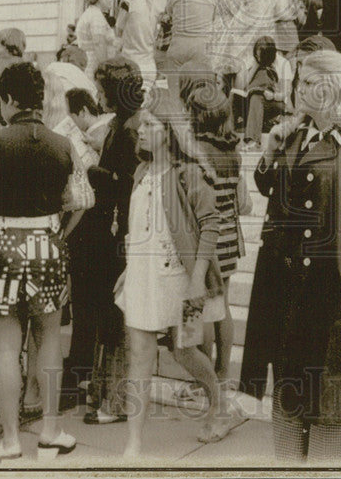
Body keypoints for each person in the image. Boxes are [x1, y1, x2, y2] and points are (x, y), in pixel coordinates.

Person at [240, 50, 341, 461]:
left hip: (336, 299)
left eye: (306, 83)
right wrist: (271, 151)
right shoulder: (295, 135)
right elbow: (270, 189)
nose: (296, 90)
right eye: (298, 82)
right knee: (290, 402)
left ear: (330, 88)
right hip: (289, 294)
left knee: (332, 403)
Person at [0, 62, 76, 461]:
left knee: (5, 349)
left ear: (8, 100)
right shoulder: (64, 144)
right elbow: (74, 200)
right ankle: (52, 431)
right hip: (47, 242)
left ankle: (9, 440)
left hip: (2, 242)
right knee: (48, 344)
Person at [117, 91, 239, 457]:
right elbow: (137, 228)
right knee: (138, 355)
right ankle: (133, 443)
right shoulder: (141, 172)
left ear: (169, 131)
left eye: (151, 124)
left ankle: (220, 402)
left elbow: (210, 225)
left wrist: (198, 277)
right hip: (143, 275)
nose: (141, 128)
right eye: (142, 123)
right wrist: (128, 268)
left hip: (180, 278)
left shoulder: (188, 172)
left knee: (184, 350)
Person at [74, 59, 144, 425]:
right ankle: (105, 392)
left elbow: (126, 182)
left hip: (122, 230)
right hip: (113, 228)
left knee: (117, 317)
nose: (97, 95)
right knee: (109, 315)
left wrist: (91, 170)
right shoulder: (120, 124)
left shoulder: (129, 129)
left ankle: (115, 400)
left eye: (102, 89)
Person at [185, 90, 252, 390]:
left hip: (205, 242)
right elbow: (244, 204)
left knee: (203, 312)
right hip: (228, 240)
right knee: (221, 306)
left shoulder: (195, 152)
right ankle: (223, 373)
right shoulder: (233, 154)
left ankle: (204, 380)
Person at [212, 0, 281, 95]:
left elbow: (237, 5)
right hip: (267, 29)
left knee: (241, 65)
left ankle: (237, 100)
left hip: (244, 25)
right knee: (264, 64)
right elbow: (278, 10)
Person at [162, 0, 218, 94]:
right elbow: (214, 17)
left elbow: (169, 12)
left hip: (179, 44)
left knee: (175, 92)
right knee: (202, 93)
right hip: (202, 45)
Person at [232, 36, 292, 150]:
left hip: (275, 102)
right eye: (256, 55)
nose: (258, 58)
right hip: (253, 101)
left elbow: (286, 93)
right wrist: (255, 66)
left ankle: (253, 141)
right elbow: (240, 86)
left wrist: (273, 96)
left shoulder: (283, 63)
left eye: (261, 57)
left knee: (256, 97)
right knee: (234, 97)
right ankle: (227, 134)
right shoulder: (254, 60)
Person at [116, 0, 158, 89]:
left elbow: (118, 28)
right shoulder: (153, 6)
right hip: (149, 62)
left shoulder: (128, 3)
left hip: (131, 61)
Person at [75, 0, 118, 76]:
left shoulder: (91, 13)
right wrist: (106, 70)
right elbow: (99, 44)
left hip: (91, 65)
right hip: (95, 68)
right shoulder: (96, 16)